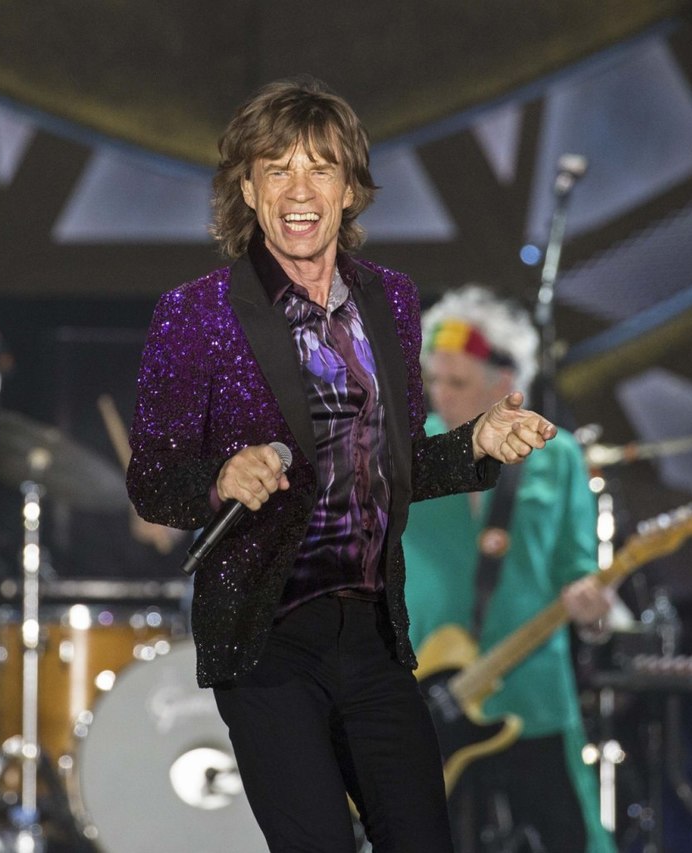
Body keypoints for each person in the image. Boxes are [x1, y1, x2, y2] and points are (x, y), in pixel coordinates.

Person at [127, 77, 558, 853]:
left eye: (320, 168)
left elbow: (393, 466)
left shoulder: (391, 301)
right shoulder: (195, 312)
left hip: (373, 633)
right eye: (278, 169)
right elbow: (153, 481)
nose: (300, 190)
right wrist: (221, 477)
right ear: (248, 190)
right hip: (264, 636)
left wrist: (476, 442)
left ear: (350, 189)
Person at [403, 285, 616, 853]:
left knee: (571, 839)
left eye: (457, 383)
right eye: (434, 381)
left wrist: (594, 610)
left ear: (504, 384)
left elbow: (578, 566)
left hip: (531, 689)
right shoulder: (404, 452)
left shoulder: (556, 454)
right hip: (428, 693)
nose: (440, 396)